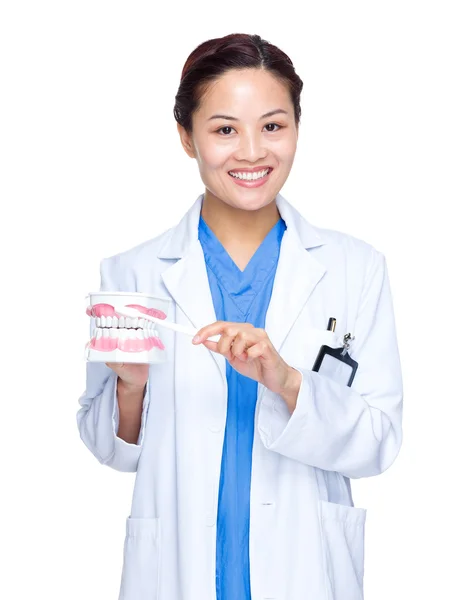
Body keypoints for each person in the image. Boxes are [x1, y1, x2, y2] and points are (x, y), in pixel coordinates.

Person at [77, 33, 403, 600]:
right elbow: (110, 449)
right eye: (225, 129)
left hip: (306, 566)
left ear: (298, 128)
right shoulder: (133, 273)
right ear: (187, 137)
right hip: (176, 570)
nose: (253, 152)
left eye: (273, 126)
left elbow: (380, 441)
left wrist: (289, 382)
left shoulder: (356, 269)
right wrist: (131, 389)